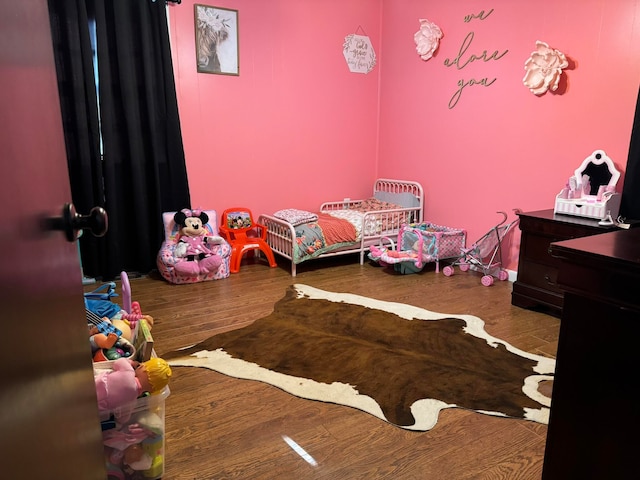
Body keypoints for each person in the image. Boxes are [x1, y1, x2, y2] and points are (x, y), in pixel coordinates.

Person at [95, 357, 172, 422]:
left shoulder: (128, 371)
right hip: (99, 408)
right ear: (151, 390)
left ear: (141, 367)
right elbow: (123, 419)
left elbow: (118, 362)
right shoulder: (132, 401)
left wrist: (132, 362)